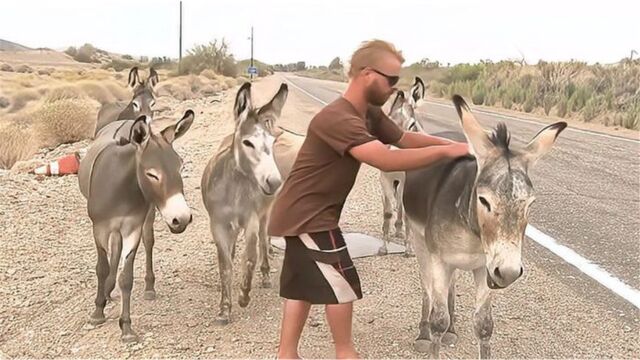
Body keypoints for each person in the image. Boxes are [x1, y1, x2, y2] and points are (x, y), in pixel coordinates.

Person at [268, 39, 469, 359]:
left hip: (302, 213)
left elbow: (403, 139)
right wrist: (446, 152)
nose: (393, 87)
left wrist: (453, 143)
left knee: (300, 289)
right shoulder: (340, 118)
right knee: (343, 289)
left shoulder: (368, 113)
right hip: (310, 216)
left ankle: (286, 354)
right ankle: (345, 354)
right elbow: (385, 160)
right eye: (389, 79)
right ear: (365, 74)